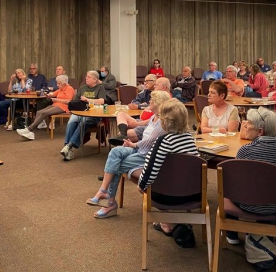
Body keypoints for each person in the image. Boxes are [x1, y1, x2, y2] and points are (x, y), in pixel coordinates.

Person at [85, 90, 171, 219]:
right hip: (139, 150)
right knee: (115, 152)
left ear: (159, 103)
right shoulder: (154, 117)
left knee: (116, 164)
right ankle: (104, 193)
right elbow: (144, 129)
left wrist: (133, 144)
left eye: (152, 101)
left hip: (147, 155)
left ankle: (109, 201)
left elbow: (150, 142)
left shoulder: (163, 122)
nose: (149, 102)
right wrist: (133, 129)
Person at [226, 108, 276, 245]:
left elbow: (237, 182)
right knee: (267, 188)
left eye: (249, 123)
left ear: (260, 131)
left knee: (229, 188)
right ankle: (266, 232)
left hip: (252, 205)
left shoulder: (245, 151)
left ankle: (231, 232)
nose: (245, 125)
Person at [137, 99, 200, 235]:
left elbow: (150, 168)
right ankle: (176, 220)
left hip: (167, 197)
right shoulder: (189, 138)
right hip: (193, 195)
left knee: (155, 181)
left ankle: (165, 220)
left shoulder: (164, 141)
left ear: (164, 121)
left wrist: (141, 185)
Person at [110, 76, 172, 145]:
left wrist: (137, 124)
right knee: (121, 114)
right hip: (141, 121)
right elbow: (135, 101)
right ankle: (123, 135)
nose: (154, 86)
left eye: (156, 85)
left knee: (125, 134)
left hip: (147, 125)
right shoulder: (149, 93)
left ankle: (124, 141)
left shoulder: (166, 100)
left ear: (164, 88)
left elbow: (156, 120)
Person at [61, 70, 107, 161]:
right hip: (81, 112)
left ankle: (69, 146)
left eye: (89, 77)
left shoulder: (100, 88)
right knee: (71, 122)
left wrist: (88, 100)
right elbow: (75, 101)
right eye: (86, 76)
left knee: (83, 122)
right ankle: (68, 148)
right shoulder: (82, 88)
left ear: (95, 79)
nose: (86, 78)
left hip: (94, 114)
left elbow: (102, 101)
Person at [17, 74, 75, 140]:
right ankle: (31, 133)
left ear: (64, 83)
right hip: (56, 105)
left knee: (44, 113)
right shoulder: (60, 89)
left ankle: (29, 129)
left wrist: (56, 99)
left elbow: (68, 101)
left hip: (64, 107)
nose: (57, 85)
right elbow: (53, 94)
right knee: (39, 112)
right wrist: (48, 94)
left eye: (59, 83)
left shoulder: (69, 89)